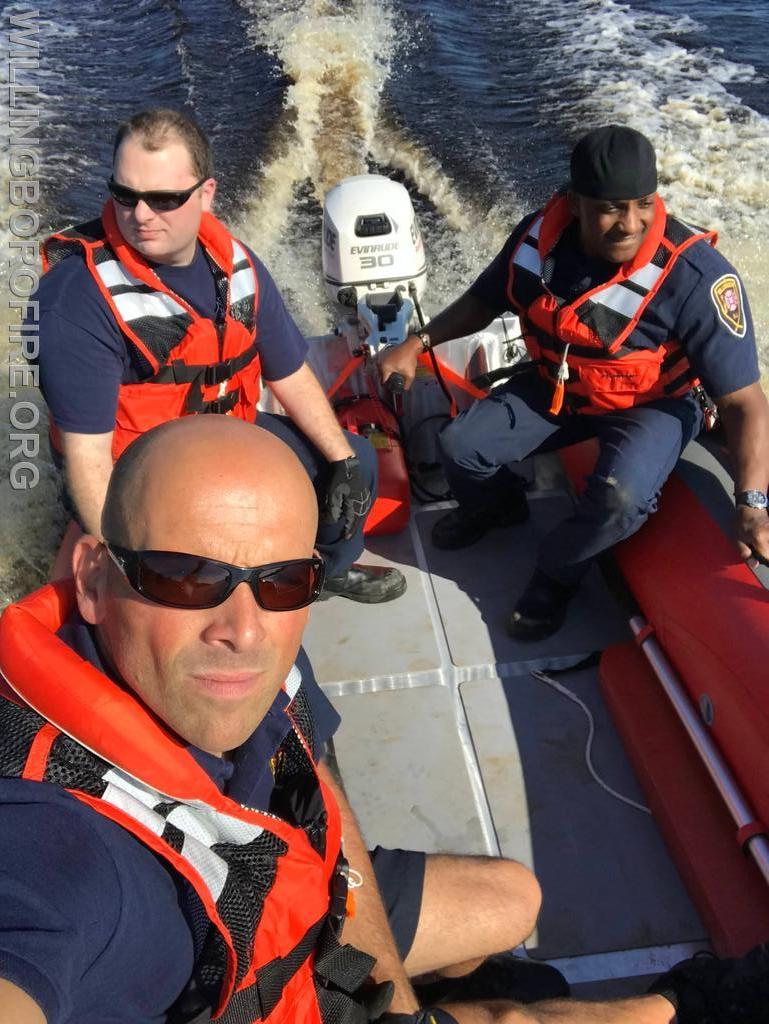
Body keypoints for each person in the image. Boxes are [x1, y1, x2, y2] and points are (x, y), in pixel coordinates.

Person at [0, 416, 765, 1024]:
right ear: (95, 578)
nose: (240, 630)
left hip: (278, 894)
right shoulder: (62, 858)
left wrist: (390, 1002)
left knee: (512, 901)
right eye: (184, 576)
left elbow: (314, 791)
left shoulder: (256, 643)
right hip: (228, 976)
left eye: (284, 579)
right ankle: (682, 1004)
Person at [378, 125, 769, 640]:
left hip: (653, 405)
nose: (630, 224)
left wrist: (753, 503)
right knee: (459, 445)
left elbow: (744, 402)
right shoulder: (537, 240)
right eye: (611, 208)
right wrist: (417, 343)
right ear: (576, 202)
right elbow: (483, 301)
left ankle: (557, 573)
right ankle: (498, 507)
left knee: (620, 498)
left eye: (643, 204)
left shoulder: (697, 277)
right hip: (559, 387)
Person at [34, 107, 405, 604]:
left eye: (164, 199)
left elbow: (290, 373)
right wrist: (127, 564)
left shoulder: (238, 267)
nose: (140, 215)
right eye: (124, 194)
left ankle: (329, 568)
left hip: (228, 435)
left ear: (205, 195)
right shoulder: (77, 301)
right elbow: (87, 459)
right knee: (201, 566)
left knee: (358, 457)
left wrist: (340, 459)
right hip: (141, 469)